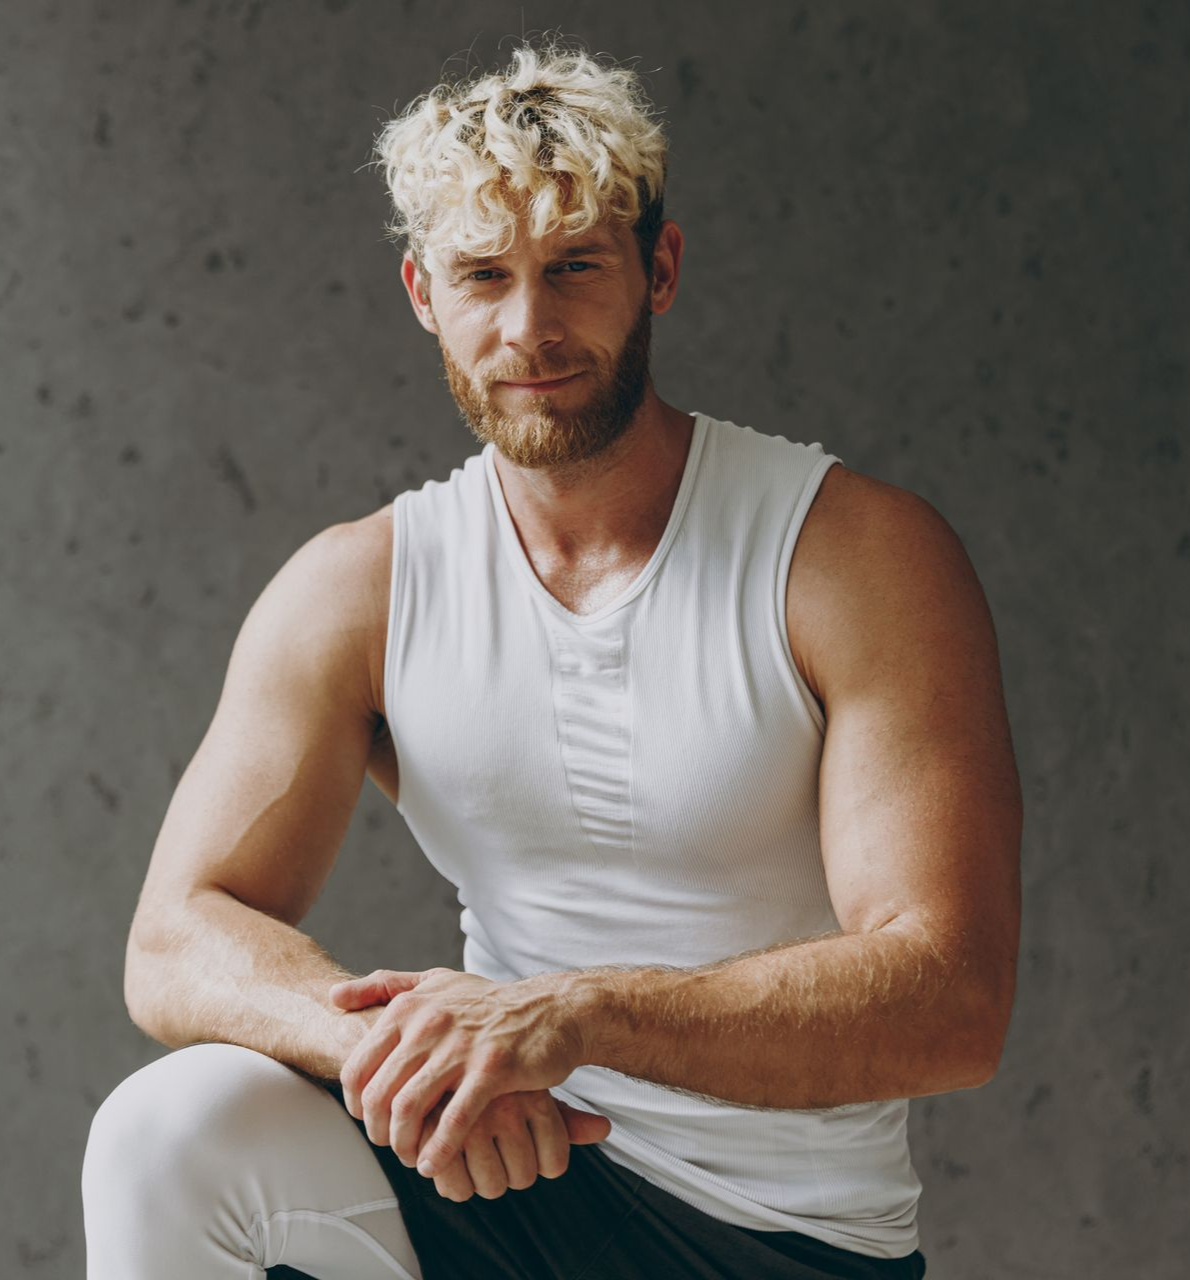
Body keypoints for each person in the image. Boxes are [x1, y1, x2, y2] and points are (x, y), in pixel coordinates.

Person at [81, 37, 1021, 1280]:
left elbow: (948, 994)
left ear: (659, 269)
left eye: (574, 266)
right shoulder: (362, 585)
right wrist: (408, 1055)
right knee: (168, 1130)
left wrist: (574, 1016)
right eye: (484, 275)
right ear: (424, 293)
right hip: (506, 1178)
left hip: (785, 1245)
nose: (529, 326)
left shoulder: (848, 556)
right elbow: (175, 935)